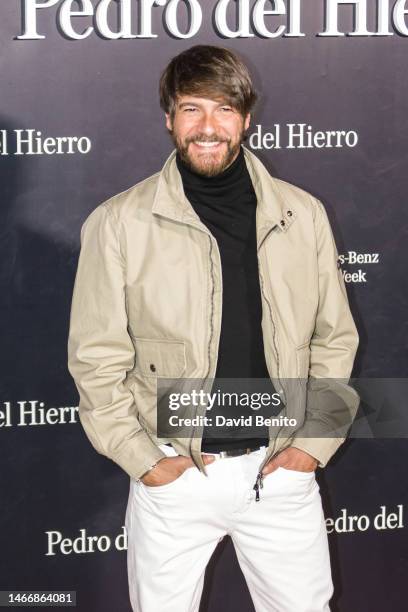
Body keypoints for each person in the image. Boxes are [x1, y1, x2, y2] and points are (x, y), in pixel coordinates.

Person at [67, 45, 359, 612]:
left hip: (279, 472)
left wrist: (311, 448)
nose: (207, 127)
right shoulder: (118, 223)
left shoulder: (303, 214)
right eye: (191, 108)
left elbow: (335, 338)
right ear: (169, 118)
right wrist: (145, 461)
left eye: (224, 109)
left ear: (247, 118)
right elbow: (95, 356)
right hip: (174, 473)